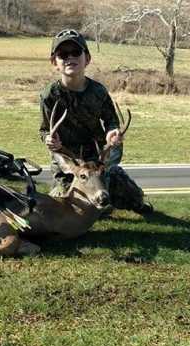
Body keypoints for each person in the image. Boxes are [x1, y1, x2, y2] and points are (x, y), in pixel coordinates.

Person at [39, 29, 153, 215]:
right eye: (63, 54)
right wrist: (49, 140)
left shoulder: (98, 91)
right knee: (62, 208)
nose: (70, 58)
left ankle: (126, 204)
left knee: (132, 195)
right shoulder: (49, 95)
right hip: (70, 165)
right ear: (55, 62)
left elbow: (111, 121)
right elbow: (44, 130)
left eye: (76, 52)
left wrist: (112, 133)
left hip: (97, 162)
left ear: (87, 59)